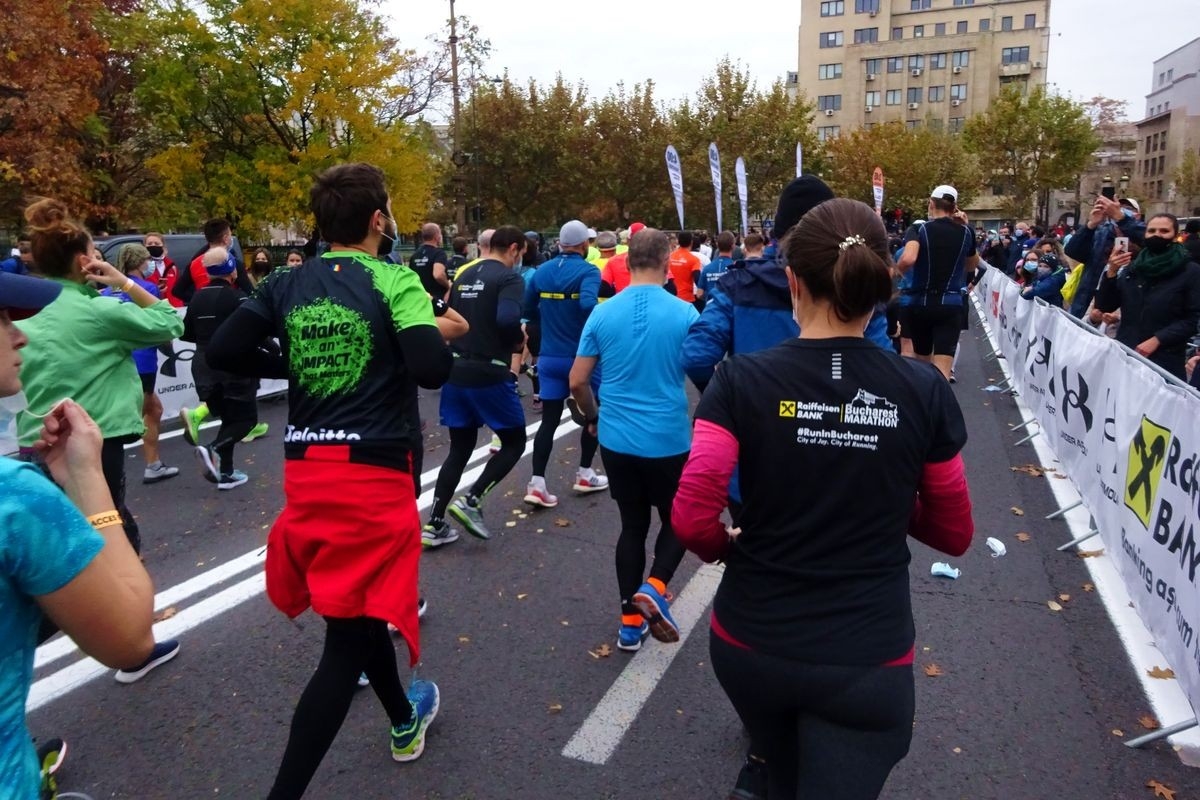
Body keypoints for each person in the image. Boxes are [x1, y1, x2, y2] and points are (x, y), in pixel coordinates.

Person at [673, 198, 973, 800]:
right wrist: (888, 500)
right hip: (866, 655)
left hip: (751, 642)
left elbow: (691, 516)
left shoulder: (739, 380)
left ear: (792, 279)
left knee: (779, 770)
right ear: (877, 284)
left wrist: (724, 548)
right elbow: (953, 533)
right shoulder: (924, 390)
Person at [204, 162, 453, 798]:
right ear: (377, 220)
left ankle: (403, 716)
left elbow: (225, 351)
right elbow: (430, 368)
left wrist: (286, 357)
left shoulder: (285, 284)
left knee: (356, 614)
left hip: (308, 473)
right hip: (373, 474)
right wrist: (416, 334)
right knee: (344, 647)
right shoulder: (396, 280)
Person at [1, 271, 158, 800]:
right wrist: (85, 479)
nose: (21, 336)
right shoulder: (15, 500)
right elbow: (131, 638)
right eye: (3, 323)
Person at [15, 197, 182, 684]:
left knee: (68, 535)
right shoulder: (99, 313)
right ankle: (126, 638)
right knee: (110, 535)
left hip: (38, 446)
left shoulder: (29, 315)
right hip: (94, 441)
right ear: (85, 260)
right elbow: (172, 323)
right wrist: (126, 282)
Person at [568, 228, 699, 652]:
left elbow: (577, 381)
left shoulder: (603, 314)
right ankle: (656, 587)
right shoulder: (685, 314)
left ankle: (628, 624)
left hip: (617, 436)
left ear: (626, 263)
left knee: (632, 526)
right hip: (668, 436)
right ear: (666, 264)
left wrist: (591, 416)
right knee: (677, 520)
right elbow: (706, 376)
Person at [421, 225, 528, 546]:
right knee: (514, 443)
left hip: (456, 370)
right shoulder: (509, 278)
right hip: (489, 371)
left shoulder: (466, 274)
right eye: (521, 253)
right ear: (512, 248)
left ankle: (434, 522)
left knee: (460, 447)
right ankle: (472, 500)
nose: (520, 259)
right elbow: (509, 320)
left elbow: (446, 310)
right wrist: (516, 344)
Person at [523, 220, 606, 508]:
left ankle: (537, 482)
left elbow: (527, 308)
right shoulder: (588, 270)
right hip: (581, 358)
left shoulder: (541, 271)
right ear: (585, 245)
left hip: (549, 356)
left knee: (548, 420)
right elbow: (587, 305)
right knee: (596, 412)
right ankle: (585, 472)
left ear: (560, 243)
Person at [181, 246, 268, 490]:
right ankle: (213, 450)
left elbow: (186, 334)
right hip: (234, 366)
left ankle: (226, 473)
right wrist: (273, 349)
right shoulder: (236, 296)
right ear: (231, 269)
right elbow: (254, 328)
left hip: (203, 365)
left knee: (229, 418)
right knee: (247, 420)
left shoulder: (197, 297)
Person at [102, 244, 179, 484]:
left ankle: (153, 464)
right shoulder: (146, 288)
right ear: (140, 263)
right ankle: (141, 467)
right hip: (143, 361)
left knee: (152, 409)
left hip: (116, 358)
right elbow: (161, 325)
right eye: (147, 261)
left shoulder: (105, 292)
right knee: (141, 413)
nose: (150, 265)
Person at [1094, 213, 1200, 379]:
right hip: (1126, 354)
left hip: (1164, 361)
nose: (1157, 235)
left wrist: (1158, 340)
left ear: (1175, 236)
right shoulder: (1134, 268)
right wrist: (1112, 272)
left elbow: (1192, 320)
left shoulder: (1190, 271)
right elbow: (1106, 305)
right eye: (1152, 231)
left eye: (1164, 231)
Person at [895, 185, 979, 380]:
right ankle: (940, 406)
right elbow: (971, 265)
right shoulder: (966, 232)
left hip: (921, 304)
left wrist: (897, 272)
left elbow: (908, 258)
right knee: (942, 370)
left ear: (931, 203)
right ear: (955, 206)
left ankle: (924, 406)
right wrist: (966, 229)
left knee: (923, 364)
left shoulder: (918, 228)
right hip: (950, 304)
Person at [1065, 195, 1146, 318]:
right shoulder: (1100, 234)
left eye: (1128, 208)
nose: (1120, 209)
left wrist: (1122, 220)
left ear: (1138, 215)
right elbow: (1072, 251)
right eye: (1117, 207)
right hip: (1087, 304)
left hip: (1123, 310)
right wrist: (1090, 225)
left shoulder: (1144, 235)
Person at [172, 218, 254, 303]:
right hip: (229, 310)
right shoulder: (232, 263)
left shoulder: (194, 264)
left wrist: (197, 300)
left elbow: (177, 291)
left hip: (203, 311)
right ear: (225, 238)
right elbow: (251, 293)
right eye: (230, 235)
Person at [599, 222, 644, 297]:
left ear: (628, 241)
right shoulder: (658, 261)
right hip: (651, 305)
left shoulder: (614, 261)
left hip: (623, 303)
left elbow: (603, 290)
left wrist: (620, 293)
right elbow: (669, 288)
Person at [409, 222, 451, 299]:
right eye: (440, 233)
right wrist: (448, 286)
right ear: (436, 236)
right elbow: (438, 274)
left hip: (419, 297)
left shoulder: (414, 255)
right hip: (436, 299)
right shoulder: (439, 253)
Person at [697, 231, 736, 302]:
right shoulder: (736, 268)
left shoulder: (707, 268)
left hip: (712, 309)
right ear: (733, 246)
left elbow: (699, 294)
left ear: (717, 245)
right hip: (730, 309)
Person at [667, 230, 703, 305]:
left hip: (670, 297)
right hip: (687, 299)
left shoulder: (669, 257)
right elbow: (697, 279)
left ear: (678, 241)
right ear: (691, 242)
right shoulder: (694, 259)